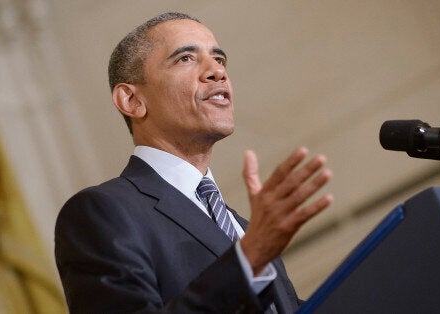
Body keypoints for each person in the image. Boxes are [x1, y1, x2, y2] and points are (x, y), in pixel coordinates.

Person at [54, 12, 333, 313]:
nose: (217, 72)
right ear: (131, 100)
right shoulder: (101, 213)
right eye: (186, 58)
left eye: (220, 59)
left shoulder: (241, 227)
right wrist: (248, 258)